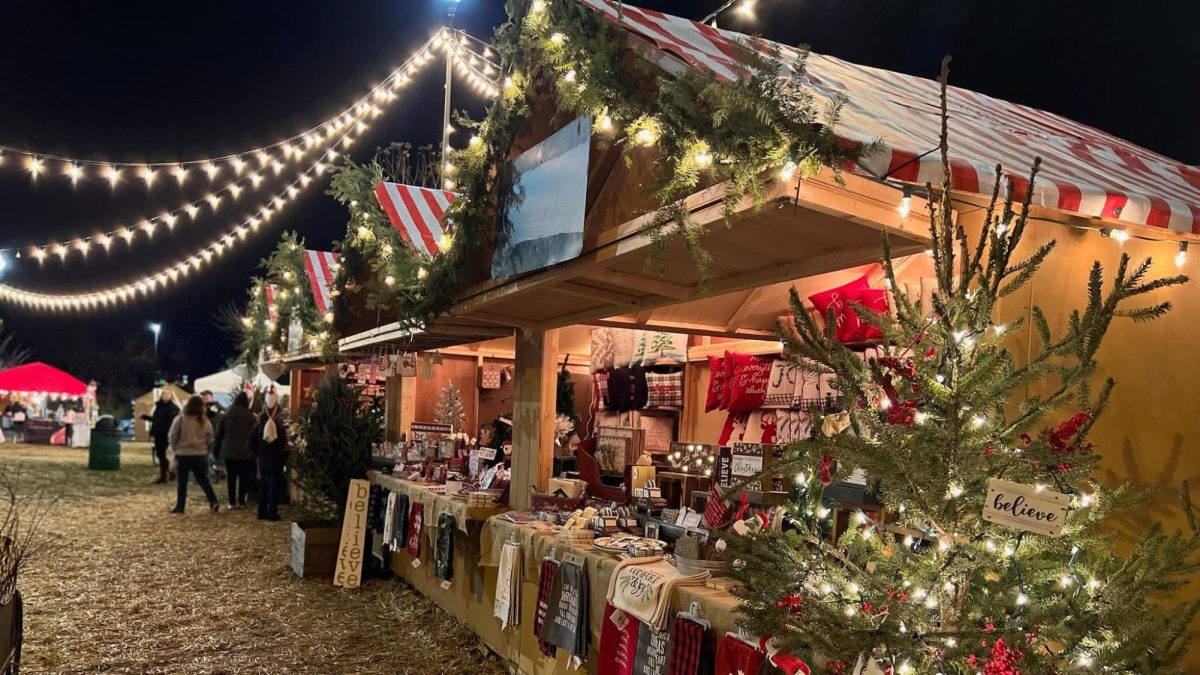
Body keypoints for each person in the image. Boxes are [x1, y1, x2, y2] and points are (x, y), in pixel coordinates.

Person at [168, 395, 219, 514]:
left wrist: (175, 448)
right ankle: (213, 501)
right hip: (200, 453)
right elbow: (210, 437)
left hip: (183, 453)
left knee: (182, 482)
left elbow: (173, 435)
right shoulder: (204, 420)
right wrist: (204, 446)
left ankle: (180, 506)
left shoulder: (181, 419)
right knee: (203, 479)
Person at [250, 390, 288, 521]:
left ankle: (261, 511)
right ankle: (272, 512)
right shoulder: (279, 426)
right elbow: (283, 444)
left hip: (263, 459)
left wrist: (258, 453)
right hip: (276, 460)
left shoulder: (258, 425)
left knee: (264, 484)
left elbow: (251, 442)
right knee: (273, 485)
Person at [213, 392, 256, 508]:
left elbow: (219, 434)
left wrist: (216, 450)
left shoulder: (228, 414)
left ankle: (231, 502)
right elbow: (254, 434)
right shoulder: (251, 416)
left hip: (229, 451)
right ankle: (241, 501)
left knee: (231, 477)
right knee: (243, 477)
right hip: (245, 451)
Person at [141, 391, 179, 483]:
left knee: (161, 454)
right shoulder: (158, 406)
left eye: (168, 394)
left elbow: (173, 422)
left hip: (167, 433)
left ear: (171, 396)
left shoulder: (173, 408)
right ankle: (165, 475)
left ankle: (169, 473)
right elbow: (156, 419)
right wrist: (146, 417)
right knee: (160, 454)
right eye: (164, 394)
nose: (166, 396)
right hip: (158, 433)